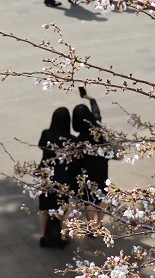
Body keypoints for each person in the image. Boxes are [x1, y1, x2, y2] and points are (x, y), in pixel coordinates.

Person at [38, 107, 75, 248]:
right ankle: (63, 236)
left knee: (44, 209)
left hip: (46, 175)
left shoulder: (46, 134)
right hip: (62, 176)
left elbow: (40, 146)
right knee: (63, 209)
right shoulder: (70, 139)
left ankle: (42, 236)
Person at [72, 92, 109, 228]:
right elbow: (96, 112)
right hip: (101, 166)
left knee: (89, 199)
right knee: (103, 193)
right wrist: (91, 99)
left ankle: (91, 226)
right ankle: (100, 224)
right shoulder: (97, 128)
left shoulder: (78, 139)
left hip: (85, 170)